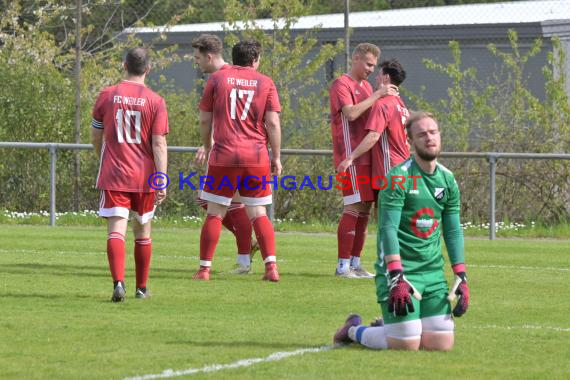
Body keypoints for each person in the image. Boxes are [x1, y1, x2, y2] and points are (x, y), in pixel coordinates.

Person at [333, 112, 470, 351]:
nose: (429, 138)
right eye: (422, 134)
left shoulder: (448, 179)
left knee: (441, 345)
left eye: (433, 132)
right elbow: (387, 229)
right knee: (405, 345)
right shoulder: (398, 177)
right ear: (410, 142)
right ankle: (353, 330)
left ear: (440, 135)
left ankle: (389, 323)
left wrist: (461, 274)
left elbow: (452, 230)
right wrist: (396, 274)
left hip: (433, 273)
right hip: (400, 272)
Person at [193, 39, 282, 282]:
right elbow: (273, 123)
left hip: (224, 154)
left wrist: (209, 146)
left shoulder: (217, 80)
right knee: (258, 212)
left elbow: (204, 119)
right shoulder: (266, 82)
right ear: (255, 60)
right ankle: (271, 267)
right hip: (256, 155)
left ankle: (204, 270)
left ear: (234, 58)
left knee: (215, 213)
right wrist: (276, 156)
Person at [91, 47, 169, 302]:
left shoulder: (107, 95)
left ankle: (118, 283)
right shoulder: (156, 101)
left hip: (114, 174)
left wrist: (102, 157)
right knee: (143, 231)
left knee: (116, 230)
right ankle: (142, 288)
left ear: (124, 65)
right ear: (148, 69)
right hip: (144, 176)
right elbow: (158, 144)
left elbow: (96, 135)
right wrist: (161, 179)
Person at [191, 34, 258, 274]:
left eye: (198, 58)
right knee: (217, 202)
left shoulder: (224, 78)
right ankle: (247, 251)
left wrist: (209, 144)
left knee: (227, 204)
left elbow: (226, 119)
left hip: (230, 153)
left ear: (209, 56)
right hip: (240, 150)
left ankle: (244, 257)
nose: (196, 63)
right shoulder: (228, 75)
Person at [329, 43, 398, 278]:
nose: (371, 69)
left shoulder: (367, 86)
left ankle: (355, 263)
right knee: (352, 207)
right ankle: (342, 266)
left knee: (365, 210)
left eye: (373, 65)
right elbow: (350, 113)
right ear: (356, 58)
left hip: (369, 157)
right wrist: (379, 94)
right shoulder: (341, 83)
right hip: (350, 157)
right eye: (368, 64)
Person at [336, 59, 410, 188]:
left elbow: (374, 136)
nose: (375, 78)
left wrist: (350, 158)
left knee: (387, 207)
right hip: (404, 168)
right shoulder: (402, 106)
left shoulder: (383, 104)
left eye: (379, 75)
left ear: (386, 78)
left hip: (390, 169)